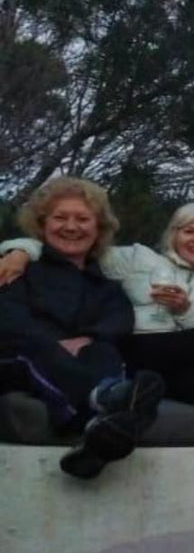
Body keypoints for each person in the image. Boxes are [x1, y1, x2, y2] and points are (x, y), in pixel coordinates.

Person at [1, 202, 194, 433]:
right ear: (174, 234)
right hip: (130, 344)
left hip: (163, 363)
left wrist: (183, 309)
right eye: (189, 231)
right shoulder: (138, 258)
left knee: (185, 377)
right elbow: (76, 245)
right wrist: (20, 251)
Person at [0, 177, 163, 478]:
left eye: (82, 219)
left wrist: (88, 338)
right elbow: (8, 319)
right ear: (42, 224)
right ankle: (106, 398)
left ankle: (96, 436)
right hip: (19, 359)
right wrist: (55, 346)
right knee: (38, 347)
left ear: (98, 227)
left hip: (74, 365)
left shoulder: (104, 284)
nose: (71, 227)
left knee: (102, 350)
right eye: (60, 217)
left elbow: (120, 319)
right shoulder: (19, 269)